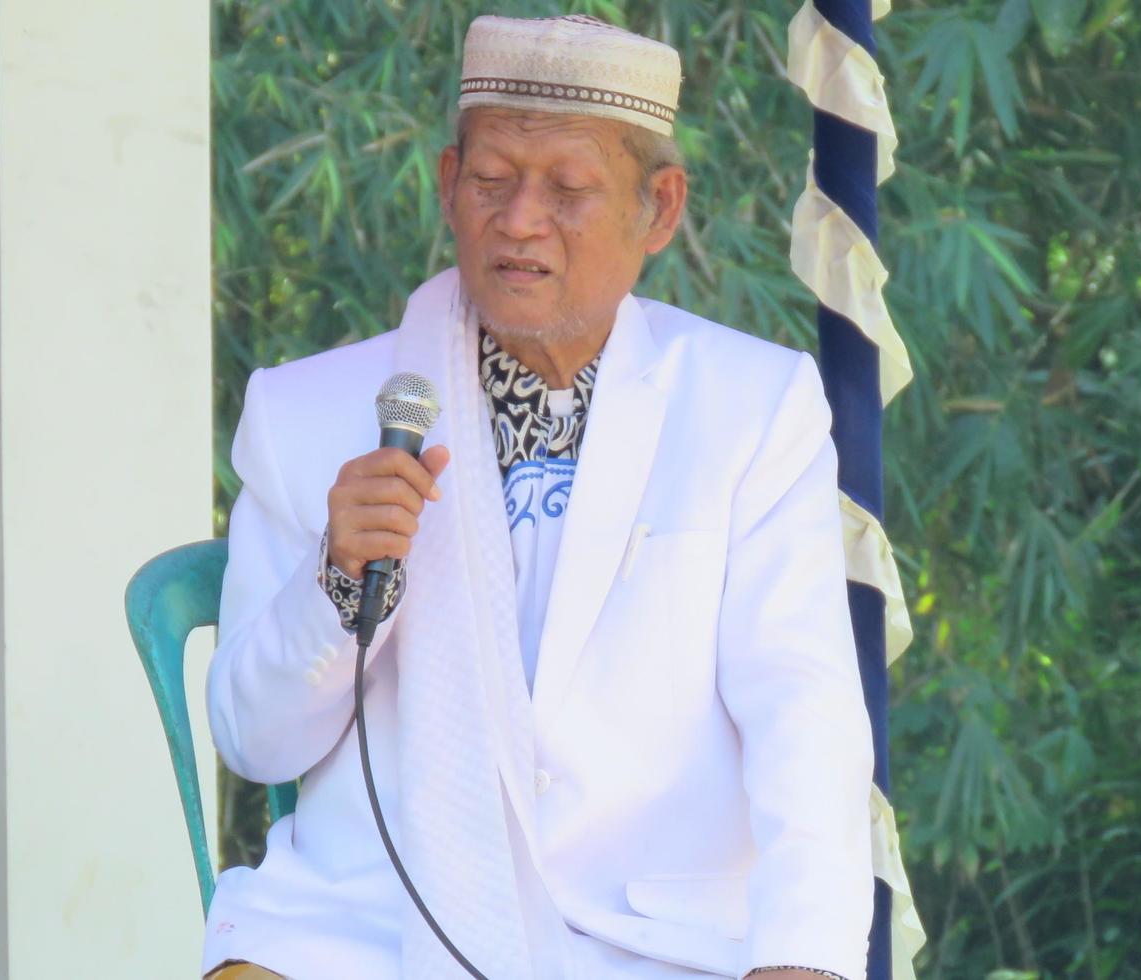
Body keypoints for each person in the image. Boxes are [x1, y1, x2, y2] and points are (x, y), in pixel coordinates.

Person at [200, 13, 875, 980]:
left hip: (645, 943)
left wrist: (802, 959)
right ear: (446, 186)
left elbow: (804, 718)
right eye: (491, 182)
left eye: (568, 190)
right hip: (366, 932)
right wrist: (335, 581)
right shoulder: (302, 413)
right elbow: (253, 742)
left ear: (661, 208)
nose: (519, 221)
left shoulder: (752, 408)